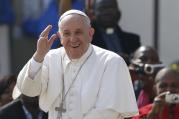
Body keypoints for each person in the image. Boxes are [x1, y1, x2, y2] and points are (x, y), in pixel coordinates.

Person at [16, 9, 138, 119]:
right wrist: (38, 56)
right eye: (67, 33)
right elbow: (29, 90)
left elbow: (107, 111)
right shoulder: (49, 58)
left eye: (78, 32)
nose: (73, 39)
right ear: (60, 37)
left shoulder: (111, 62)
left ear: (90, 34)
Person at [91, 0, 140, 65]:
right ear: (93, 14)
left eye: (111, 7)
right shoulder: (88, 40)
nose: (107, 12)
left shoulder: (133, 40)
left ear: (119, 13)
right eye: (102, 8)